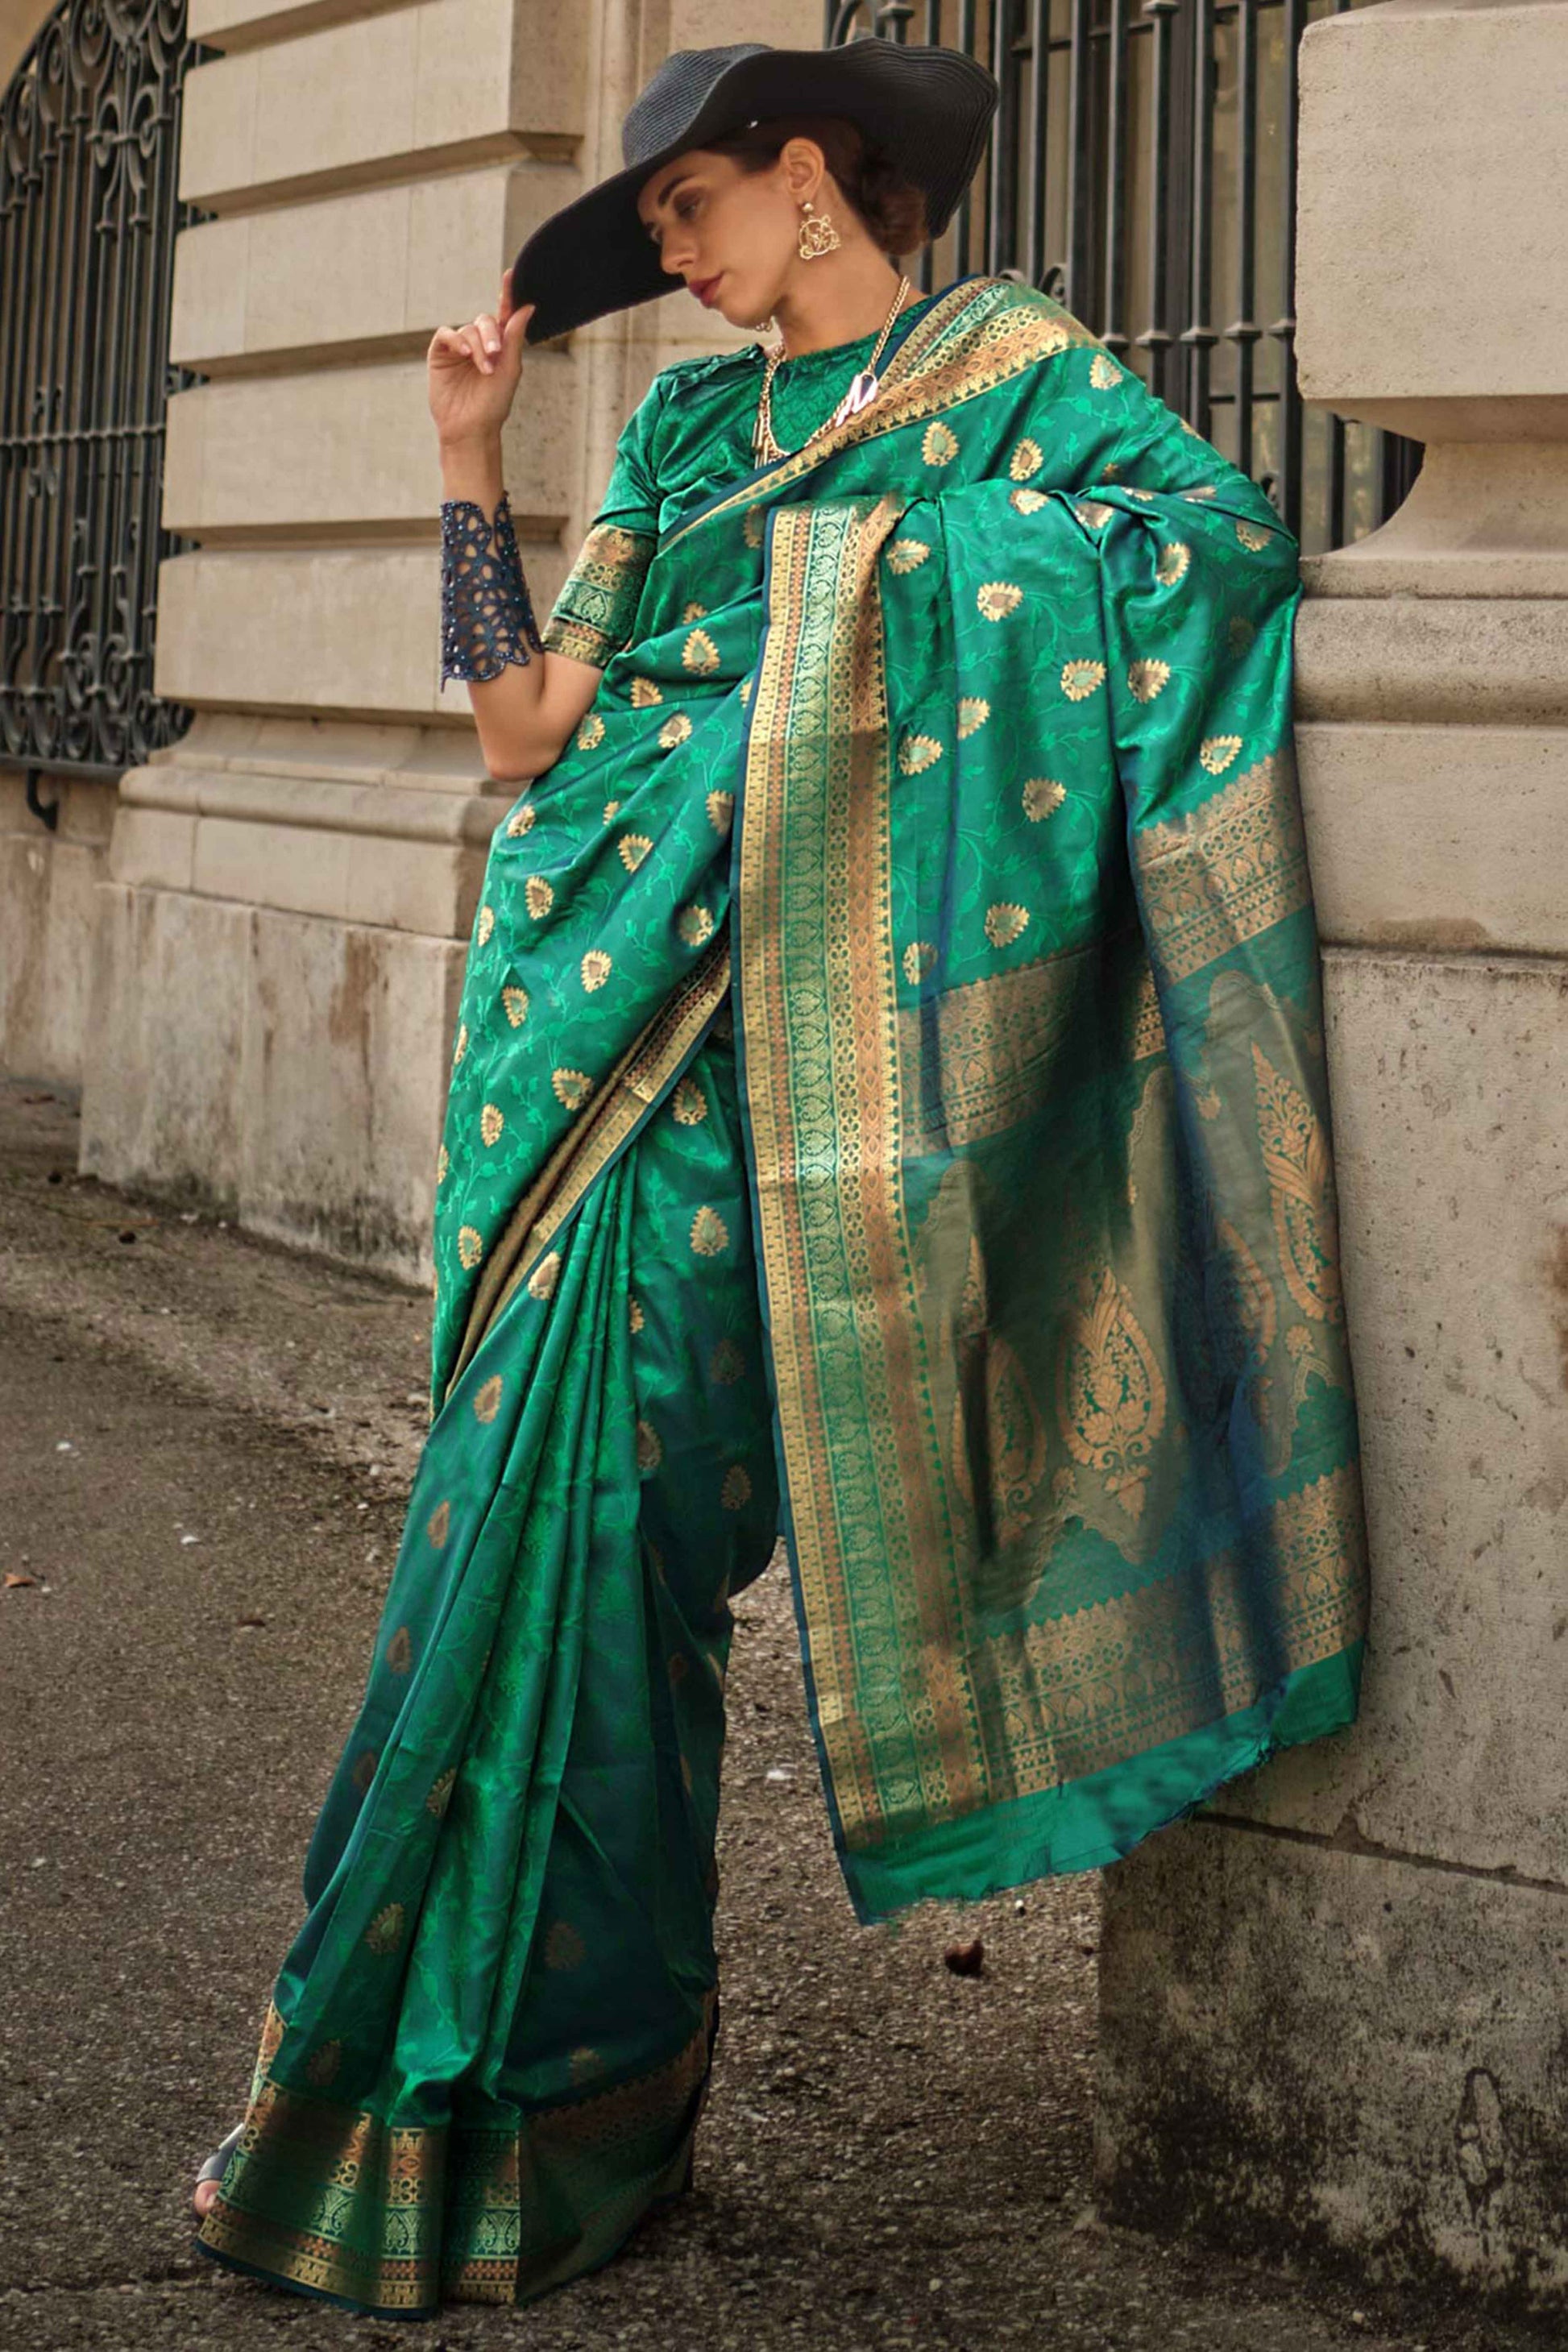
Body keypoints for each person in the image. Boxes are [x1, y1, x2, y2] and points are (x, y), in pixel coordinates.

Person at [189, 36, 1371, 2321]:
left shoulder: (1018, 378)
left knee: (631, 1536)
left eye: (688, 203)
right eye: (650, 227)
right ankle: (454, 2099)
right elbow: (525, 727)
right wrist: (463, 472)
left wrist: (878, 597)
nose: (671, 246)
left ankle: (573, 2084)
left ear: (812, 175)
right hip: (583, 1040)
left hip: (802, 1085)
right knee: (516, 1538)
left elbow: (1213, 552)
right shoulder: (673, 432)